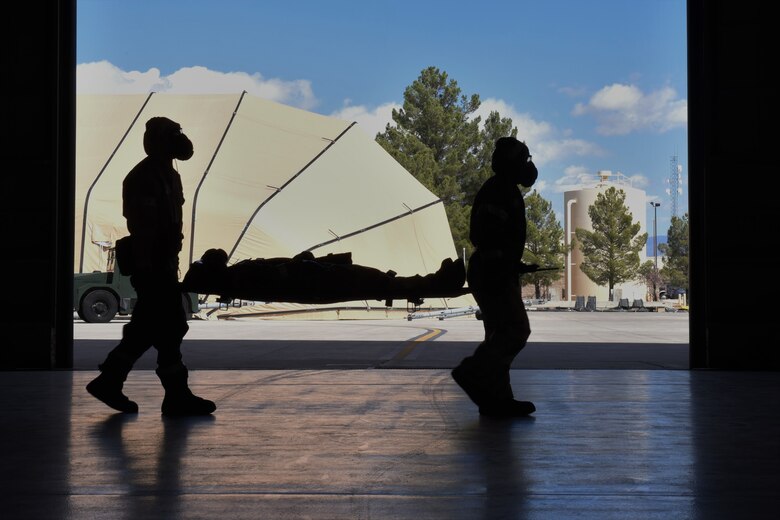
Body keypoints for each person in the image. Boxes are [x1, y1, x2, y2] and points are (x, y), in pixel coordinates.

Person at [87, 117, 216, 416]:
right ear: (159, 141)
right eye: (173, 136)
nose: (180, 141)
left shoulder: (171, 176)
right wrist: (147, 267)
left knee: (152, 328)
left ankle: (114, 380)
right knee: (168, 325)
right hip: (152, 265)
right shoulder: (142, 177)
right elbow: (142, 227)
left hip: (166, 262)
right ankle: (172, 394)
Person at [451, 136, 538, 417]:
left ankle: (496, 399)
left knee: (498, 335)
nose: (528, 166)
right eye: (524, 160)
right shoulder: (501, 190)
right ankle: (472, 371)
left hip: (493, 269)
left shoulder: (502, 189)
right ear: (512, 164)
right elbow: (486, 235)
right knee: (515, 330)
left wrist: (513, 262)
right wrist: (503, 262)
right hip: (492, 272)